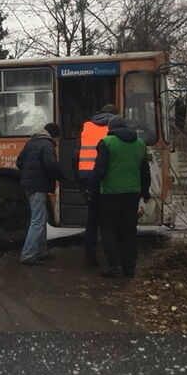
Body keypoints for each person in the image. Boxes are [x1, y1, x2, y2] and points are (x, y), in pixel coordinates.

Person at [88, 116, 151, 278]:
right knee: (129, 230)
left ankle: (114, 265)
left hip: (111, 193)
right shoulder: (140, 144)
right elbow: (145, 172)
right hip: (133, 194)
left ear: (111, 128)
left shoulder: (107, 143)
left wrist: (91, 191)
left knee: (108, 228)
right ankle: (129, 267)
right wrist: (145, 192)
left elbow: (99, 172)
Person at [75, 103, 118, 266]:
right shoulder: (113, 127)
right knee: (108, 220)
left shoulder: (88, 126)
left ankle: (90, 256)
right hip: (106, 177)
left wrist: (79, 179)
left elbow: (76, 154)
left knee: (92, 219)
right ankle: (112, 259)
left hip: (88, 178)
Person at [16, 122, 65, 266]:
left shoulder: (31, 142)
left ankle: (41, 251)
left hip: (28, 185)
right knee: (37, 220)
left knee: (41, 218)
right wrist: (62, 178)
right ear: (54, 136)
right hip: (38, 186)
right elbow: (51, 165)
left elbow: (19, 162)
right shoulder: (47, 145)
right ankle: (28, 255)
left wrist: (28, 176)